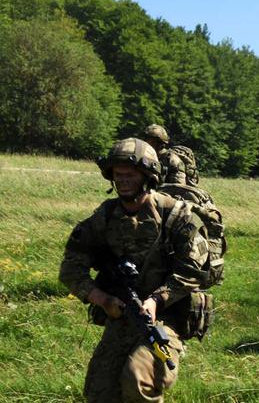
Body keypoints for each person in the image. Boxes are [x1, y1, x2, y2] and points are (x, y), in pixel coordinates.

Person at [59, 138, 210, 402]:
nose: (123, 181)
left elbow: (194, 269)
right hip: (121, 315)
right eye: (118, 175)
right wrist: (102, 299)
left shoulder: (175, 216)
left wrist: (156, 299)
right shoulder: (104, 217)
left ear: (148, 176)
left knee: (137, 378)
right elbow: (71, 267)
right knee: (98, 391)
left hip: (167, 318)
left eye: (130, 175)